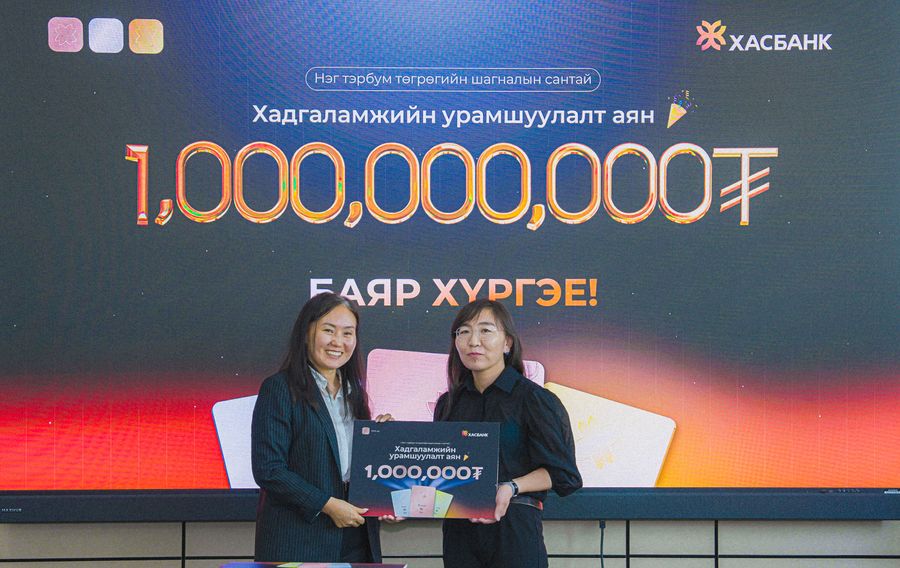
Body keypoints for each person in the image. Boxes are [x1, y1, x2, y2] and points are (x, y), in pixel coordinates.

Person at [433, 299, 582, 568]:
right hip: (459, 533)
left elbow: (563, 474)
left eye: (485, 330)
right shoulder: (448, 403)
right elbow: (438, 469)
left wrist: (511, 487)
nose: (473, 341)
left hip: (514, 528)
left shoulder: (534, 399)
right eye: (464, 331)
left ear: (507, 343)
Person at [251, 292, 391, 562]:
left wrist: (384, 442)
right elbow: (269, 469)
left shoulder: (355, 394)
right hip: (301, 539)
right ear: (306, 333)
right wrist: (327, 505)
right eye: (329, 330)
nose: (338, 342)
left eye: (347, 333)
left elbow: (353, 467)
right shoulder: (279, 388)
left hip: (358, 537)